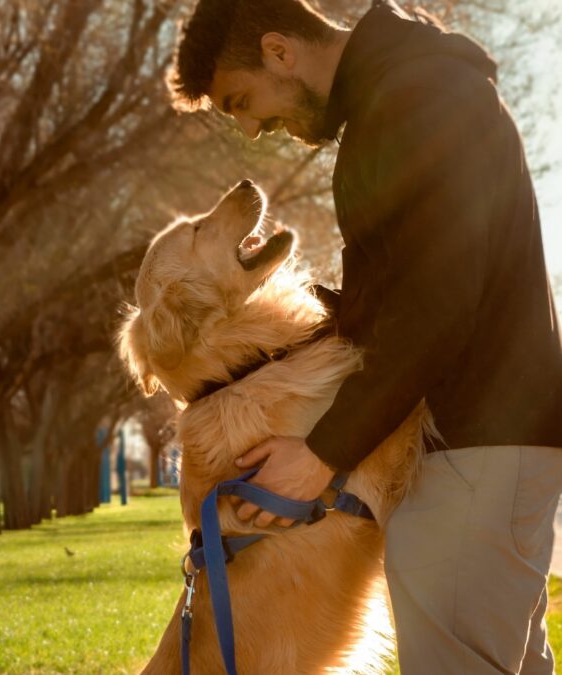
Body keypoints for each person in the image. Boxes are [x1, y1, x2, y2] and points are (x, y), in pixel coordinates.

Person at [168, 0, 562, 672]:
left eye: (243, 99)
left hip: (478, 438)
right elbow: (408, 293)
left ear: (280, 51)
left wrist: (323, 451)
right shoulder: (399, 98)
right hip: (482, 438)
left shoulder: (416, 97)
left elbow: (439, 302)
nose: (256, 128)